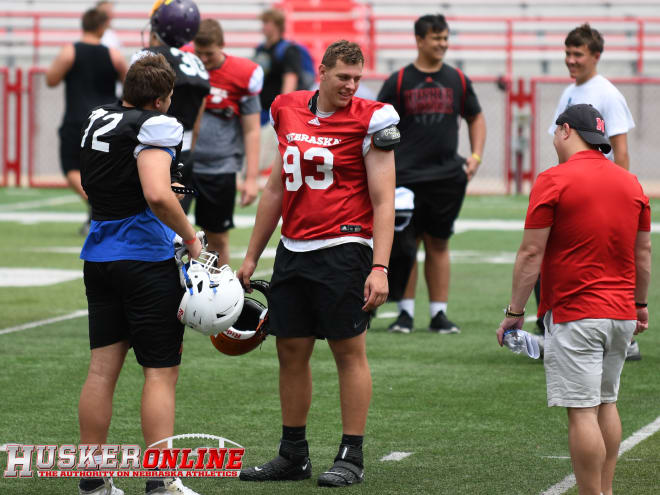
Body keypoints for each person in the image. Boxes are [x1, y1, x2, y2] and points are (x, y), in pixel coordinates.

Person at [236, 40, 399, 487]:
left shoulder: (372, 119)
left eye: (356, 78)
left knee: (348, 351)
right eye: (342, 77)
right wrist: (252, 254)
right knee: (289, 350)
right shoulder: (286, 108)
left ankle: (352, 453)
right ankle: (293, 454)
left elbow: (384, 201)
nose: (350, 86)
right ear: (322, 72)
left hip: (345, 250)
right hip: (294, 248)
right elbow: (275, 190)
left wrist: (380, 266)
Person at [497, 104, 651, 495]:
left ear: (566, 131)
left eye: (555, 132)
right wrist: (640, 305)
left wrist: (515, 312)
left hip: (576, 312)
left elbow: (531, 253)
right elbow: (644, 253)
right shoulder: (632, 183)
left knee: (582, 411)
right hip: (620, 315)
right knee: (607, 403)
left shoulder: (553, 180)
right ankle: (606, 489)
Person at [77, 53, 203, 495]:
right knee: (160, 372)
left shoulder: (98, 118)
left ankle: (92, 481)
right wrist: (190, 237)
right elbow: (156, 194)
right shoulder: (156, 124)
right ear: (161, 99)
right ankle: (162, 480)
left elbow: (94, 180)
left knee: (101, 371)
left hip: (99, 256)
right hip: (144, 260)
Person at [377, 14, 486, 334]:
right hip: (406, 177)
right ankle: (405, 314)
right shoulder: (398, 81)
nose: (442, 44)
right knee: (405, 245)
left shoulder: (458, 79)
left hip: (446, 177)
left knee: (439, 243)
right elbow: (376, 123)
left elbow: (476, 117)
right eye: (436, 38)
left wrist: (476, 156)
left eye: (445, 38)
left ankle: (439, 313)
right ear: (419, 40)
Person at [545, 23, 640, 360]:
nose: (571, 60)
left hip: (600, 193)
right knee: (562, 260)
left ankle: (626, 337)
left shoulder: (607, 93)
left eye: (578, 54)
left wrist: (621, 198)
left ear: (596, 56)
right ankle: (557, 328)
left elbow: (621, 150)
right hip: (574, 191)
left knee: (608, 264)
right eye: (567, 53)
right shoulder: (569, 92)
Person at [186, 18, 262, 266]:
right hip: (183, 164)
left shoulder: (242, 74)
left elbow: (251, 129)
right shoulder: (185, 63)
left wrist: (250, 178)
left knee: (216, 238)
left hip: (220, 166)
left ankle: (219, 298)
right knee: (170, 233)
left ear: (222, 45)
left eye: (209, 54)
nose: (204, 60)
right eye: (199, 53)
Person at [46, 7, 127, 235]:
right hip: (107, 121)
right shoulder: (114, 54)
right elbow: (130, 84)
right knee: (106, 170)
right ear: (102, 27)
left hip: (76, 119)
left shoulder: (69, 52)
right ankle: (101, 206)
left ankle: (95, 203)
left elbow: (51, 79)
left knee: (71, 167)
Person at [133, 0, 210, 213]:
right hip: (184, 152)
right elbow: (199, 116)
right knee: (177, 223)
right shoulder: (197, 63)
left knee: (146, 222)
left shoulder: (147, 57)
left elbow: (134, 107)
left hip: (153, 150)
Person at [254, 8, 303, 178]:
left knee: (269, 153)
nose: (264, 27)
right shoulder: (261, 49)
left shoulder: (288, 49)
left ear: (277, 26)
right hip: (259, 108)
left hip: (272, 112)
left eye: (267, 23)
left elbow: (290, 79)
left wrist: (281, 108)